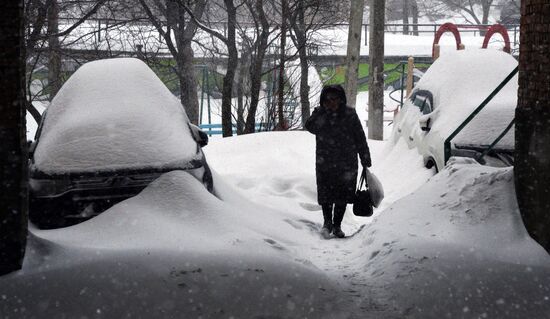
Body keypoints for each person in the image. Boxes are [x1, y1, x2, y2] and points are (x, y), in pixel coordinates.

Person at [305, 84, 372, 239]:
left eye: (335, 99)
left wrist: (365, 156)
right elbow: (309, 126)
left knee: (342, 195)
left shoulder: (350, 114)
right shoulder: (321, 115)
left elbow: (359, 137)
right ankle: (327, 223)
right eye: (328, 99)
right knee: (326, 195)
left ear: (341, 100)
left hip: (346, 162)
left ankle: (337, 226)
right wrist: (320, 112)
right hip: (325, 162)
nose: (331, 102)